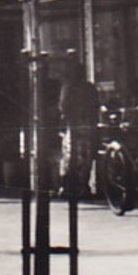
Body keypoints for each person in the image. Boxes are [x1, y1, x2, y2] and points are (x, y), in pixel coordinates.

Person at [57, 55, 101, 199]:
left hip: (74, 127)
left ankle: (68, 186)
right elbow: (96, 106)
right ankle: (83, 186)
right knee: (85, 158)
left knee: (71, 157)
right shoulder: (88, 88)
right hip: (87, 127)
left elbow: (63, 107)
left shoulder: (68, 87)